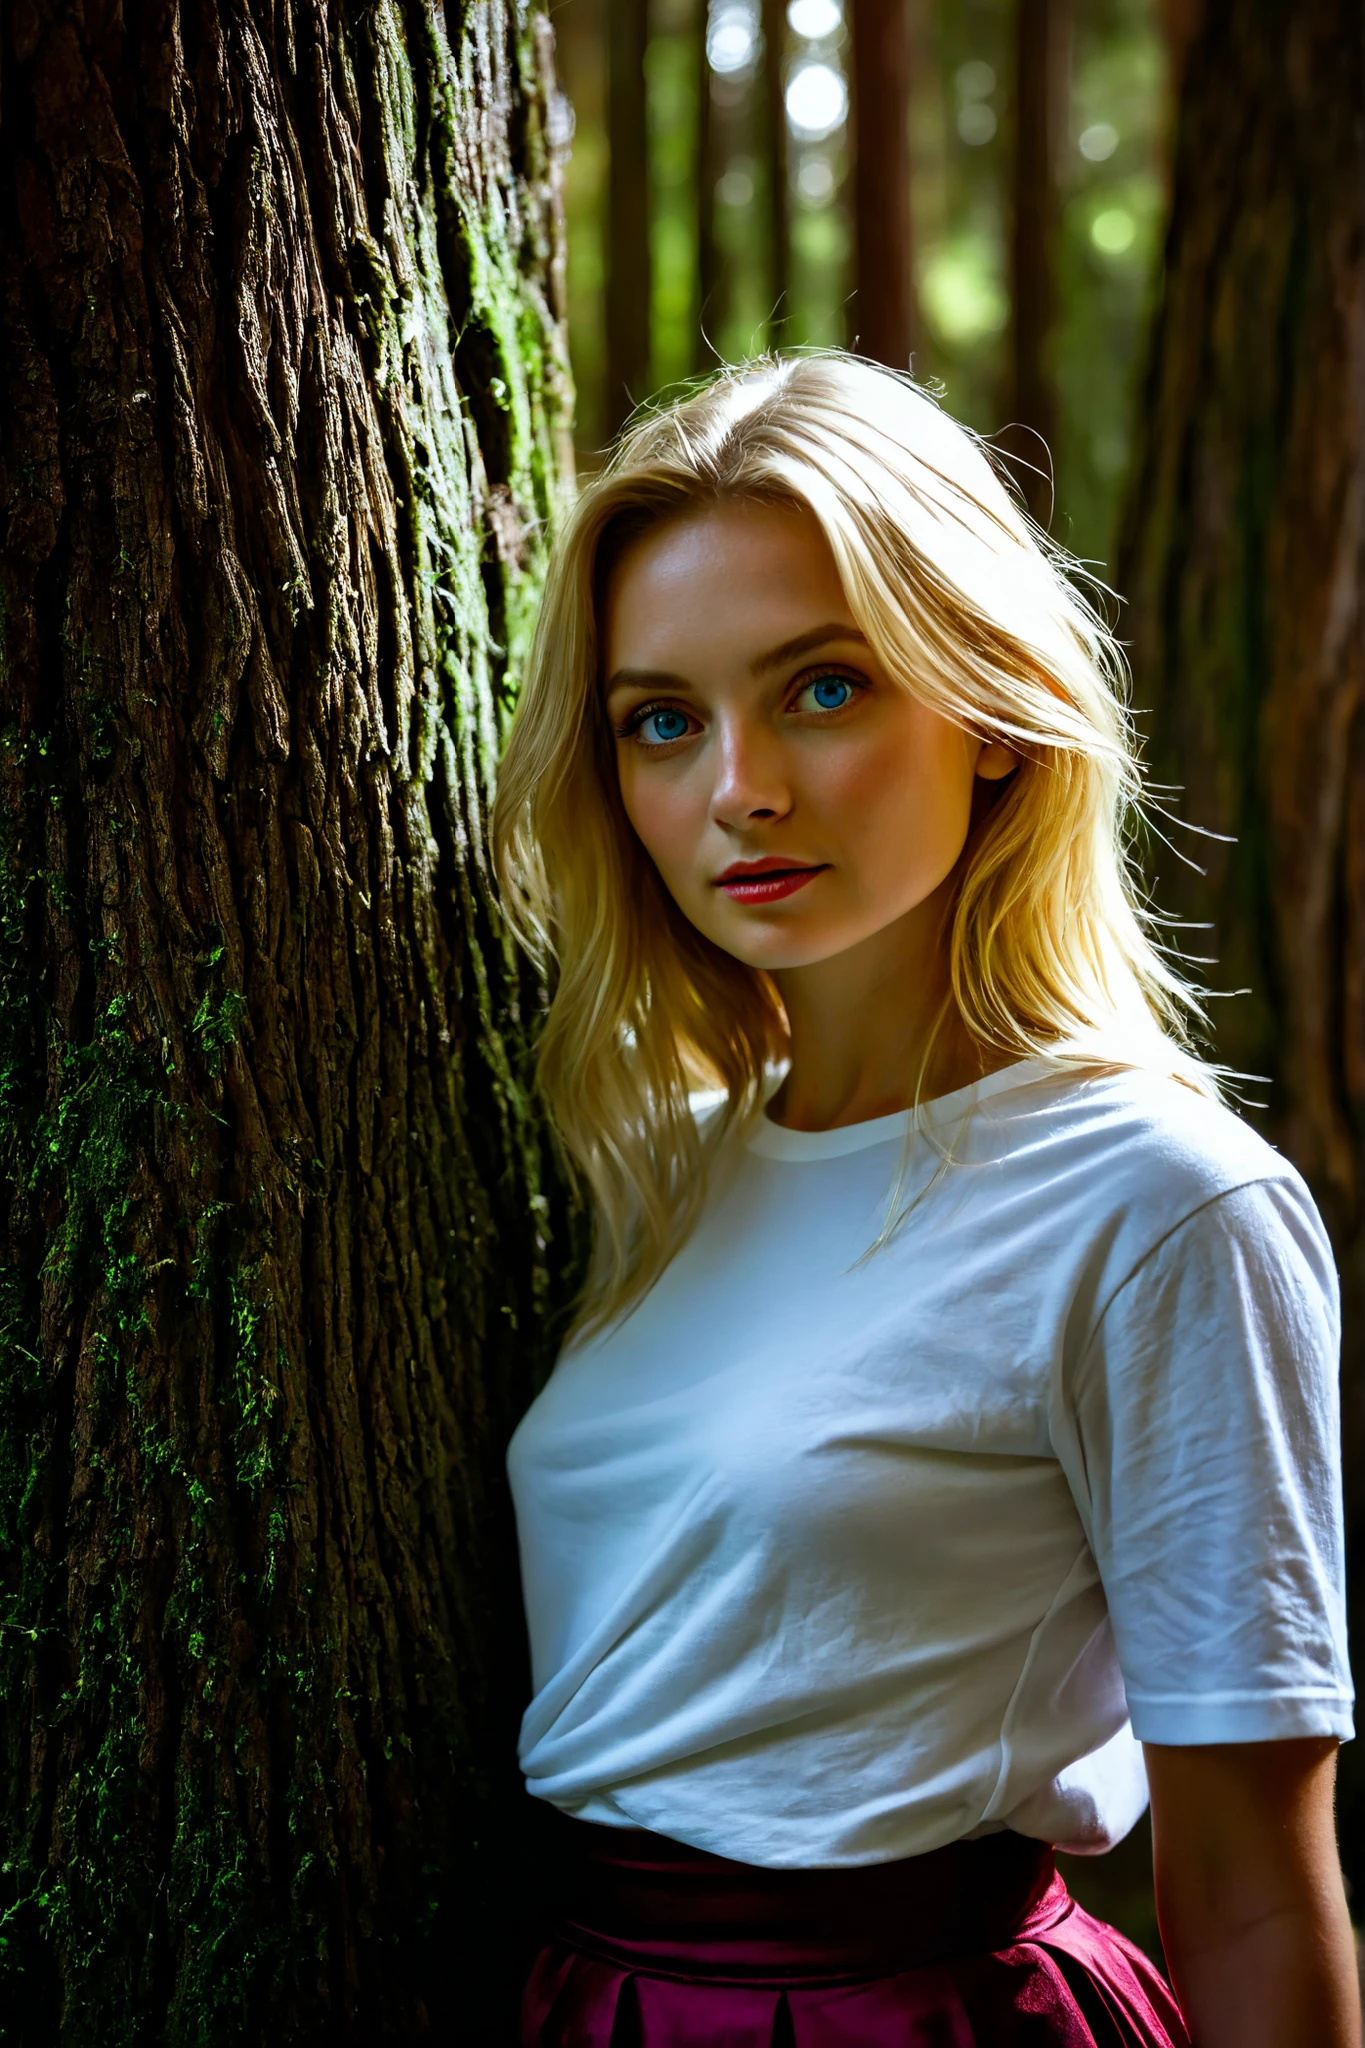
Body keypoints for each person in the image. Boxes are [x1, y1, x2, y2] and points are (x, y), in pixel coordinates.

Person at [492, 354, 1358, 2048]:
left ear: (992, 711)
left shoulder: (1163, 1207)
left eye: (822, 688)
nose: (740, 786)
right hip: (599, 2003)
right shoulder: (658, 1165)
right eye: (663, 720)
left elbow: (1255, 1883)